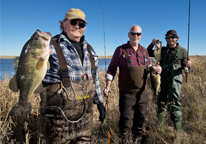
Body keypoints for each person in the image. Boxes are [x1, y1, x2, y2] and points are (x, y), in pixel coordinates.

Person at [40, 8, 106, 144]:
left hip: (85, 122)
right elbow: (30, 71)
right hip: (57, 124)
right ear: (63, 23)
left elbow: (95, 80)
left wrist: (100, 102)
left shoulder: (90, 50)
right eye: (73, 22)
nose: (77, 26)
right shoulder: (48, 47)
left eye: (81, 24)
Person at [103, 25, 161, 143]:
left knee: (141, 117)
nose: (136, 36)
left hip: (142, 92)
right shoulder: (120, 50)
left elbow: (148, 67)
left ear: (141, 36)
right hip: (126, 93)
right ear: (128, 35)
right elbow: (112, 69)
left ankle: (137, 138)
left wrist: (155, 69)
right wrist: (107, 87)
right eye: (133, 33)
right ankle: (123, 138)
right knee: (125, 118)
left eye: (138, 34)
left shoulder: (144, 50)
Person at [147, 30, 192, 133]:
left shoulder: (183, 51)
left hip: (175, 84)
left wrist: (188, 66)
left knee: (175, 106)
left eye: (173, 37)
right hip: (162, 81)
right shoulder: (161, 50)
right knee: (161, 104)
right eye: (167, 37)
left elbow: (186, 66)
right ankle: (159, 129)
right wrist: (152, 44)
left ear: (177, 38)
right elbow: (148, 53)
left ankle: (177, 133)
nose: (170, 39)